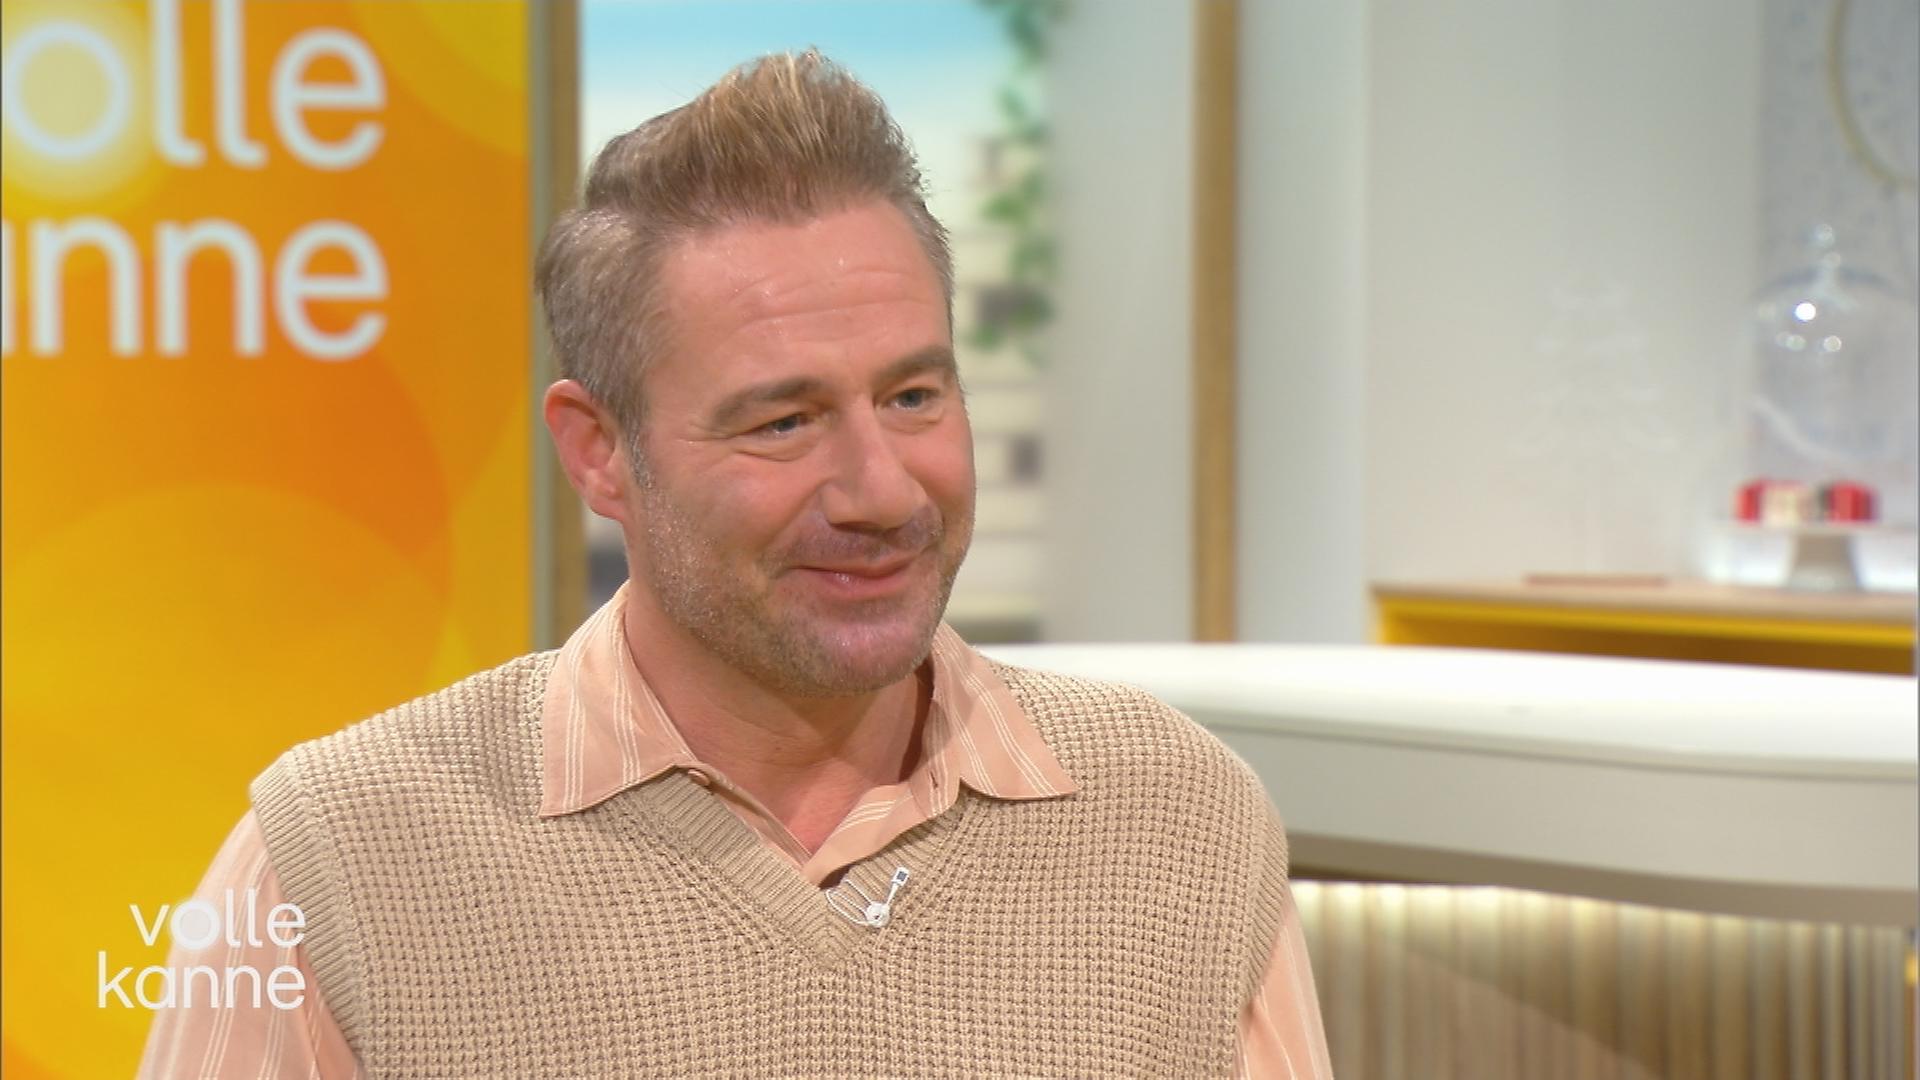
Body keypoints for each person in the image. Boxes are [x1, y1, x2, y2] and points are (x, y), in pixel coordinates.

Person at [139, 51, 1331, 1078]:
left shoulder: (1184, 818)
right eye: (783, 422)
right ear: (600, 452)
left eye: (914, 396)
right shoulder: (332, 861)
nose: (882, 491)